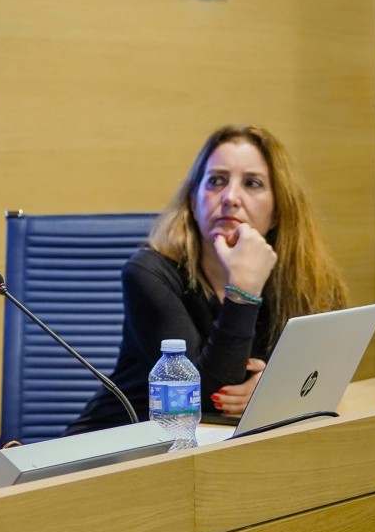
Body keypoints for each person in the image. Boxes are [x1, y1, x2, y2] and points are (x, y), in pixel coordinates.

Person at [67, 125, 349, 434]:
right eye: (216, 181)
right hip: (118, 447)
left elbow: (319, 373)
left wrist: (275, 386)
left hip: (227, 448)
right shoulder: (149, 273)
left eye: (252, 183)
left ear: (279, 211)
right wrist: (243, 291)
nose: (230, 197)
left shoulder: (305, 279)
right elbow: (198, 399)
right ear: (193, 199)